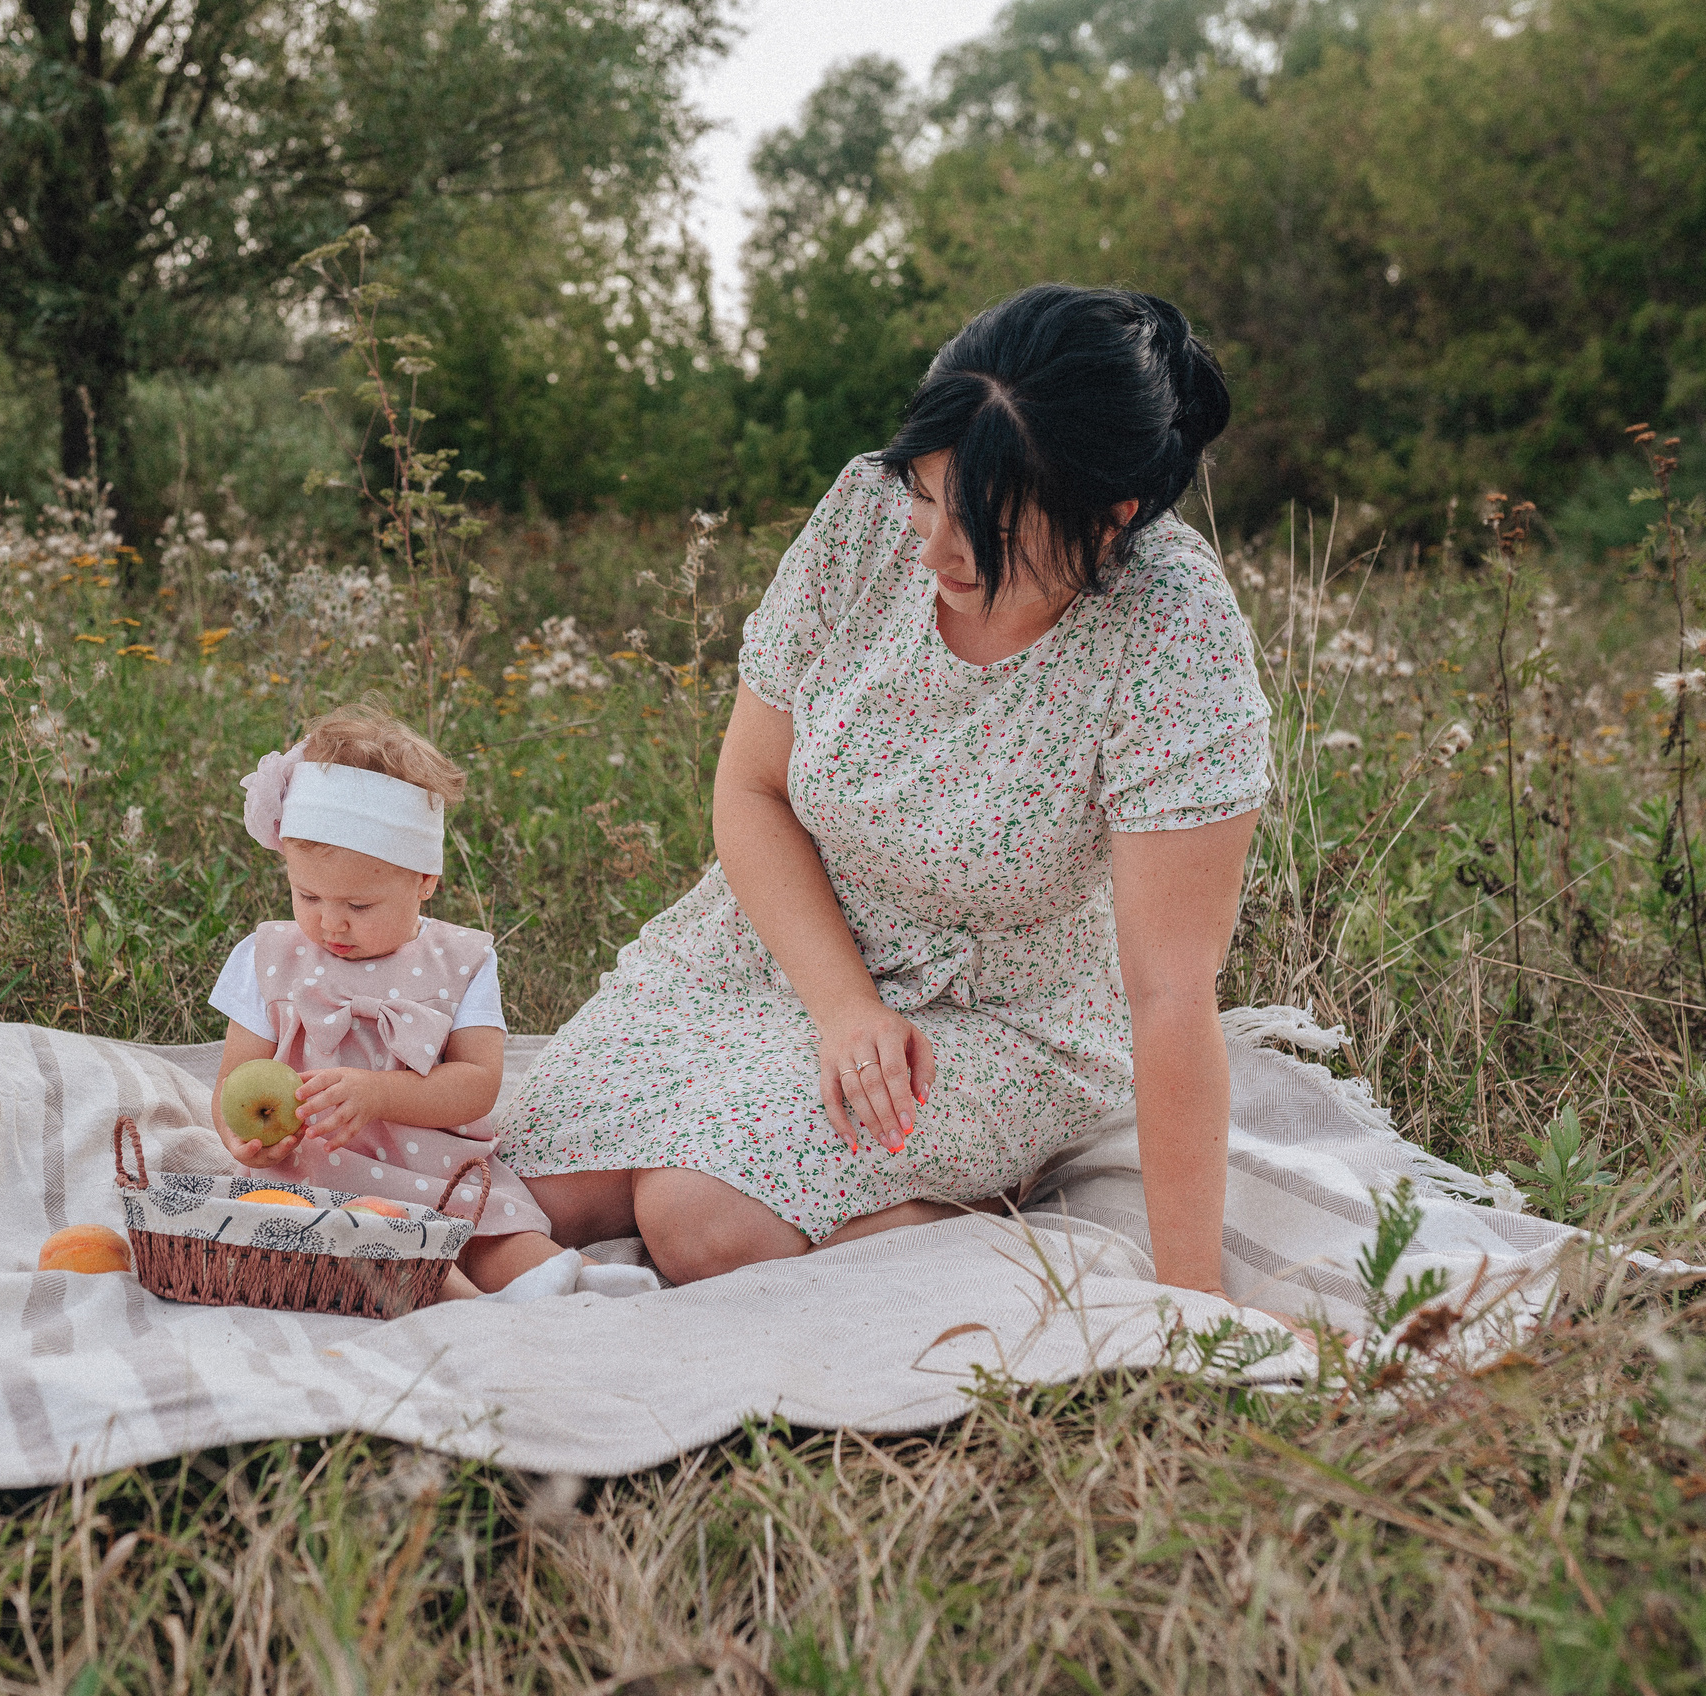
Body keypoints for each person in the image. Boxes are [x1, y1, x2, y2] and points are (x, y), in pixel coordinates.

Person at [493, 284, 1271, 1311]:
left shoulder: (1174, 632)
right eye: (925, 494)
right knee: (527, 1190)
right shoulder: (865, 518)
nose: (935, 549)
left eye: (986, 526)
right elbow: (753, 787)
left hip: (994, 1013)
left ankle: (978, 1193)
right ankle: (810, 1147)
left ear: (1108, 519)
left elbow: (1170, 991)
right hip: (777, 948)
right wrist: (842, 1004)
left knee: (696, 1221)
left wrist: (1190, 1303)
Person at [214, 705, 660, 1303]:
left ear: (425, 880)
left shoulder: (461, 961)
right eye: (308, 894)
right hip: (314, 1176)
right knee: (356, 1236)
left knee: (498, 1230)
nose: (330, 922)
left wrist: (378, 1095)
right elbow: (233, 1083)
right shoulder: (268, 956)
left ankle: (571, 1283)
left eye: (360, 905)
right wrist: (241, 1137)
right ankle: (465, 1304)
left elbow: (478, 1083)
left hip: (433, 1166)